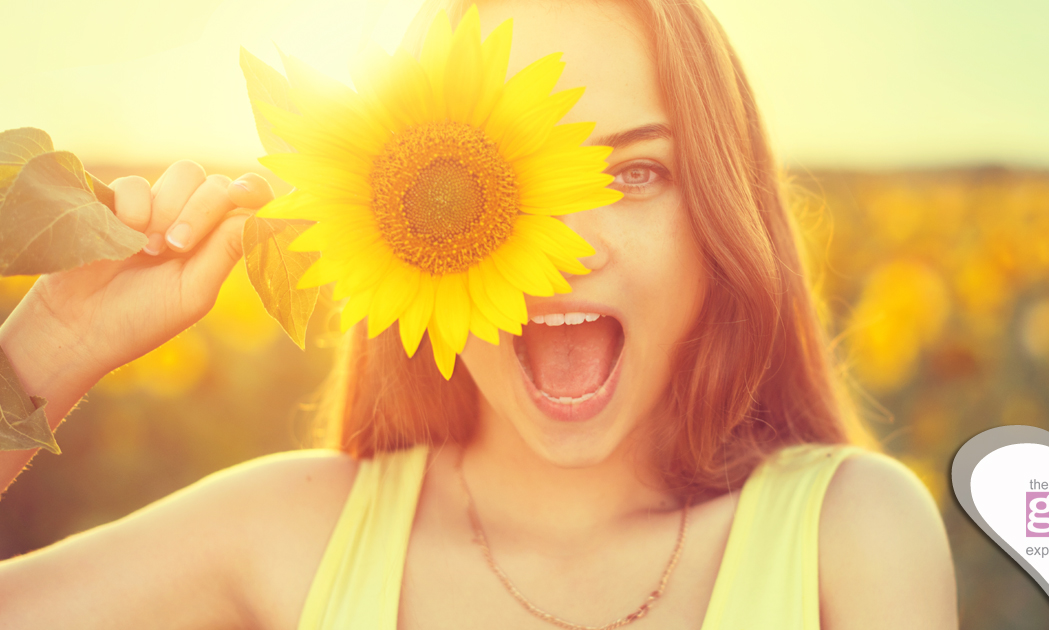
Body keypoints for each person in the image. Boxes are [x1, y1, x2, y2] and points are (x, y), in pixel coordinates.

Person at [0, 0, 958, 628]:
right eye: (505, 178)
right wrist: (51, 349)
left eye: (634, 171)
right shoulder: (289, 532)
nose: (568, 244)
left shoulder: (848, 533)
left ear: (720, 216)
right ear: (402, 217)